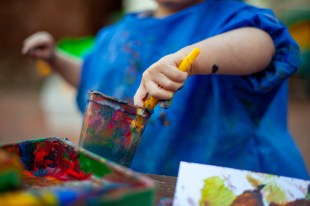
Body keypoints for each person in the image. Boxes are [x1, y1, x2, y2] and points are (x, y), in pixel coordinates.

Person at [22, 0, 309, 180]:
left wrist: (187, 60)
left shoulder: (231, 18)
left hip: (229, 185)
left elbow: (263, 45)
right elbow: (96, 78)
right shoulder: (118, 33)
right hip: (150, 181)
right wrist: (55, 60)